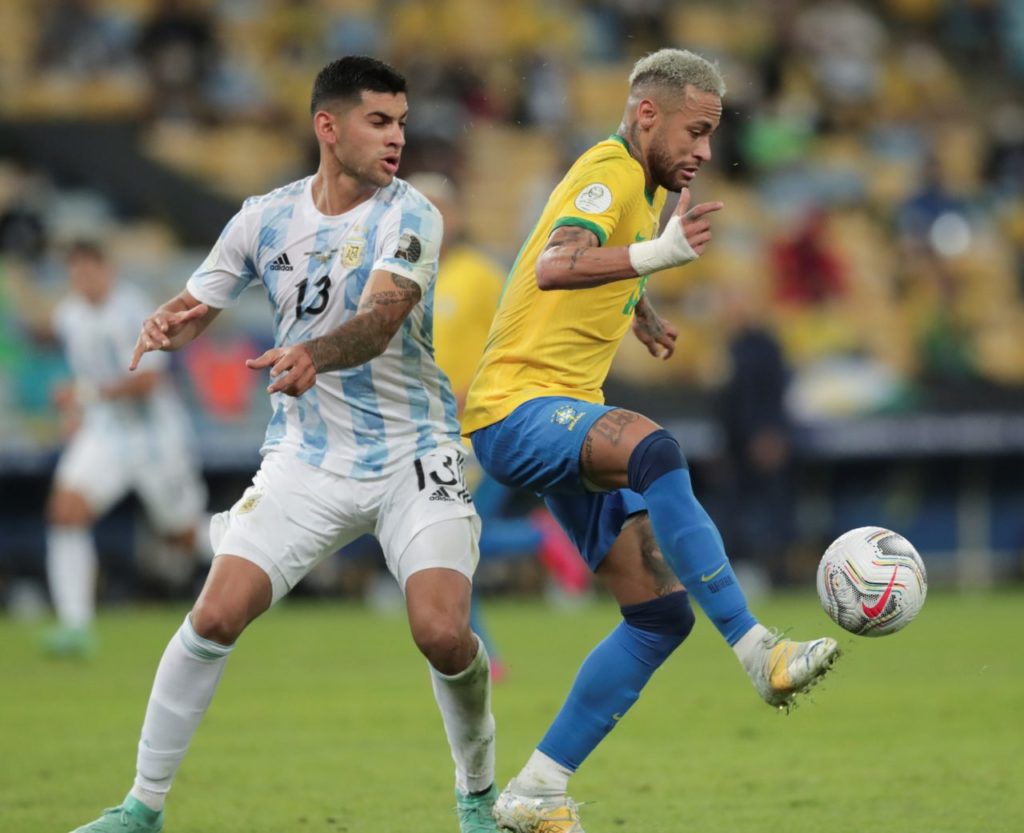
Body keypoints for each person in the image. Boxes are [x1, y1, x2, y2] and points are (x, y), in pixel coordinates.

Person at [71, 56, 498, 833]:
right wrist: (172, 321)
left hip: (414, 452)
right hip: (307, 456)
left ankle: (475, 795)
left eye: (402, 121)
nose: (398, 137)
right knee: (214, 615)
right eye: (380, 120)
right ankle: (141, 807)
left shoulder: (412, 215)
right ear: (327, 127)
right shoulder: (262, 217)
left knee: (441, 631)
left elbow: (381, 318)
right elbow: (203, 296)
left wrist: (313, 354)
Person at [461, 48, 841, 832]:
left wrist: (640, 306)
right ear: (646, 117)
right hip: (517, 407)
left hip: (552, 405)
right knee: (655, 447)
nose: (705, 151)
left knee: (658, 614)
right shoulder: (609, 169)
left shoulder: (637, 186)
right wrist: (658, 256)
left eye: (711, 135)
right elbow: (559, 263)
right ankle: (757, 649)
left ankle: (536, 789)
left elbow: (583, 261)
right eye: (695, 132)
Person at [407, 173, 588, 681]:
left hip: (473, 430)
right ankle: (484, 653)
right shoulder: (412, 279)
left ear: (457, 216)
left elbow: (513, 339)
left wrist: (474, 388)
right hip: (425, 434)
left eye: (441, 209)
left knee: (458, 540)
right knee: (452, 545)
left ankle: (538, 540)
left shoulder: (481, 276)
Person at [45, 240, 210, 657]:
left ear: (107, 270)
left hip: (154, 440)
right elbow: (88, 374)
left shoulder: (133, 309)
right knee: (66, 510)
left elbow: (148, 381)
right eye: (75, 273)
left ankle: (263, 563)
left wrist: (84, 395)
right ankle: (75, 627)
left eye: (89, 271)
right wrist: (79, 415)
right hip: (106, 435)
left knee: (183, 534)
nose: (82, 281)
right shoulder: (70, 316)